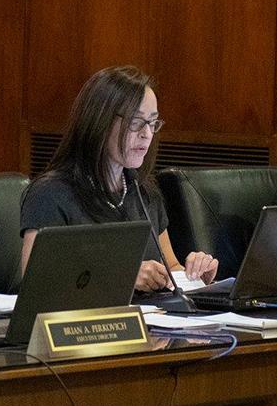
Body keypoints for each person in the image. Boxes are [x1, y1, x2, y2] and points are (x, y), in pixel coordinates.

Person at [20, 66, 219, 291]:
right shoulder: (51, 194)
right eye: (136, 122)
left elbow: (169, 267)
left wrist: (193, 276)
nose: (147, 134)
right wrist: (122, 276)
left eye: (153, 123)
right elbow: (38, 283)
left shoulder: (144, 191)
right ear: (99, 122)